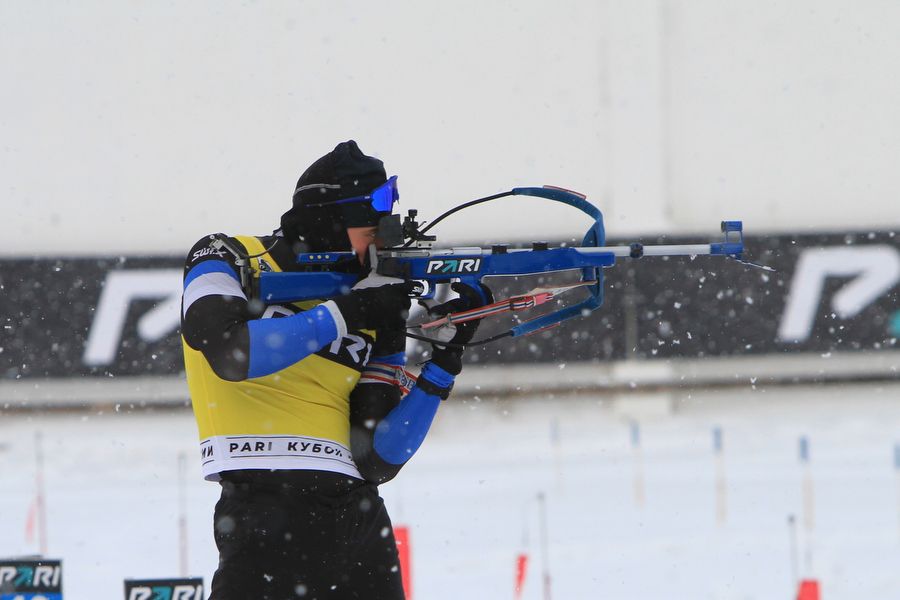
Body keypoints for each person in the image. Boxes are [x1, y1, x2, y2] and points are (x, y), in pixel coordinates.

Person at [180, 140, 490, 600]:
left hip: (358, 523)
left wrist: (443, 363)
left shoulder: (374, 301)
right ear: (331, 220)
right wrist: (346, 311)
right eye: (372, 230)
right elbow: (231, 354)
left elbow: (377, 457)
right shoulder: (228, 256)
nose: (380, 246)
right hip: (261, 514)